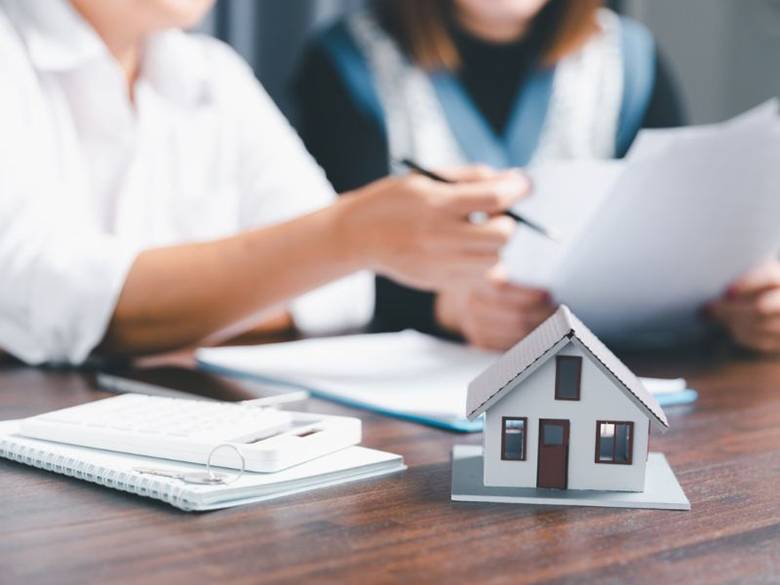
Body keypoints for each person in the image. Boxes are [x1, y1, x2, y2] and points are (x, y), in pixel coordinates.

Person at [0, 0, 530, 365]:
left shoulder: (213, 74)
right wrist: (347, 237)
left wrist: (172, 309)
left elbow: (341, 291)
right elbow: (48, 302)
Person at [295, 0, 685, 350]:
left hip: (616, 359)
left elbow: (674, 238)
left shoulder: (628, 60)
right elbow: (331, 262)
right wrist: (450, 306)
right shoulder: (348, 61)